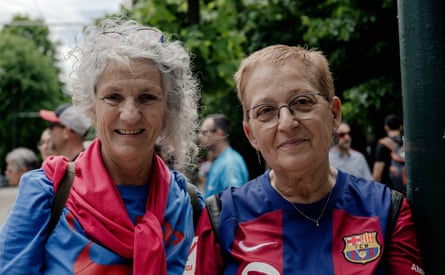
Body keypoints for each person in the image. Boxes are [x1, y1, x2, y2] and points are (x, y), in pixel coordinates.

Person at [189, 45, 424, 274]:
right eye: (266, 111)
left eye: (302, 102)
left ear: (334, 114)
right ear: (251, 134)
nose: (286, 123)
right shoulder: (221, 217)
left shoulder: (386, 210)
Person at [0, 18, 202, 274]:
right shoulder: (45, 196)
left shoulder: (191, 206)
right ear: (91, 108)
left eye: (147, 97)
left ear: (167, 109)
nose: (130, 114)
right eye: (113, 97)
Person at [198, 114, 249, 198]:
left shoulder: (230, 164)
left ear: (218, 133)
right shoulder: (220, 160)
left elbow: (233, 202)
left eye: (204, 132)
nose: (199, 136)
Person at [372, 114, 404, 189]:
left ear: (386, 127)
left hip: (390, 192)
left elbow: (377, 176)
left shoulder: (383, 145)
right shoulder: (407, 144)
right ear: (401, 127)